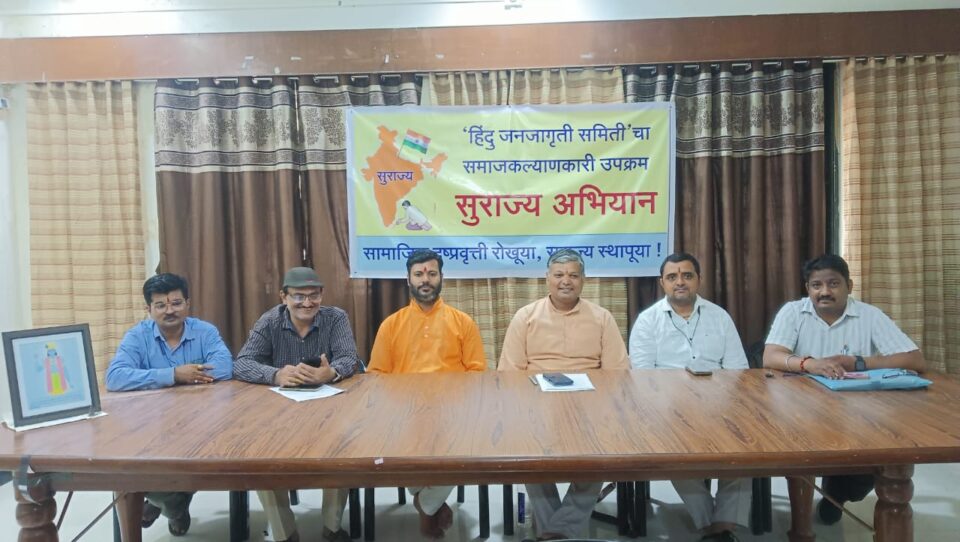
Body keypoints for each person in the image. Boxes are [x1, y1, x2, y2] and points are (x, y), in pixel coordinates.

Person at [763, 254, 925, 525]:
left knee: (870, 470)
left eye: (833, 284)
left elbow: (915, 360)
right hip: (801, 410)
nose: (824, 292)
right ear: (808, 288)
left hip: (857, 412)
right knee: (800, 458)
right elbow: (771, 356)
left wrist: (858, 362)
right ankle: (803, 524)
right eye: (816, 285)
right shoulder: (793, 312)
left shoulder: (869, 315)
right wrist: (810, 364)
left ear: (849, 286)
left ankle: (835, 493)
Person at [498, 249, 628, 541]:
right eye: (559, 275)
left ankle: (556, 531)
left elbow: (618, 374)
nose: (565, 281)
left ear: (583, 280)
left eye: (573, 275)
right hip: (537, 405)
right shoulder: (526, 317)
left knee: (598, 460)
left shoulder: (602, 318)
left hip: (590, 408)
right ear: (547, 278)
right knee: (530, 458)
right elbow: (509, 374)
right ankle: (560, 531)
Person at [234, 266, 362, 542]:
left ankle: (332, 526)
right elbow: (242, 363)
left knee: (342, 450)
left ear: (321, 295)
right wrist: (276, 374)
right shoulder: (269, 321)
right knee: (261, 460)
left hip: (329, 409)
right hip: (279, 414)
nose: (307, 303)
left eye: (313, 295)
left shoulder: (336, 318)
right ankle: (285, 533)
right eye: (298, 296)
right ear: (284, 297)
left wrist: (330, 372)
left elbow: (350, 358)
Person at [629, 253, 750, 542]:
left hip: (719, 405)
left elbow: (739, 371)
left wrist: (721, 404)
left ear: (699, 280)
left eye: (687, 275)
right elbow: (643, 379)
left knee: (745, 451)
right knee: (675, 454)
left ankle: (723, 525)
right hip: (668, 409)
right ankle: (714, 527)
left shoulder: (720, 317)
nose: (680, 282)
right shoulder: (648, 321)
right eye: (672, 277)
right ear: (662, 283)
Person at [368, 248, 486, 538]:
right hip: (404, 413)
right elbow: (376, 376)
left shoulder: (462, 322)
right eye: (419, 274)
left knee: (466, 450)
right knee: (402, 446)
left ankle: (425, 504)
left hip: (452, 411)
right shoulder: (391, 325)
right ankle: (433, 504)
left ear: (441, 277)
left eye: (432, 273)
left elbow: (477, 374)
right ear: (408, 279)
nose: (425, 280)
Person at [106, 273, 233, 536]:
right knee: (130, 466)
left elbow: (224, 367)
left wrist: (179, 376)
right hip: (149, 425)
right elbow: (115, 377)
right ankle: (172, 507)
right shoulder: (137, 336)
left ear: (187, 303)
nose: (170, 310)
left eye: (176, 303)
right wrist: (174, 374)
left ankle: (160, 504)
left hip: (200, 422)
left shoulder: (205, 331)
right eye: (161, 305)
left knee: (211, 455)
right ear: (149, 309)